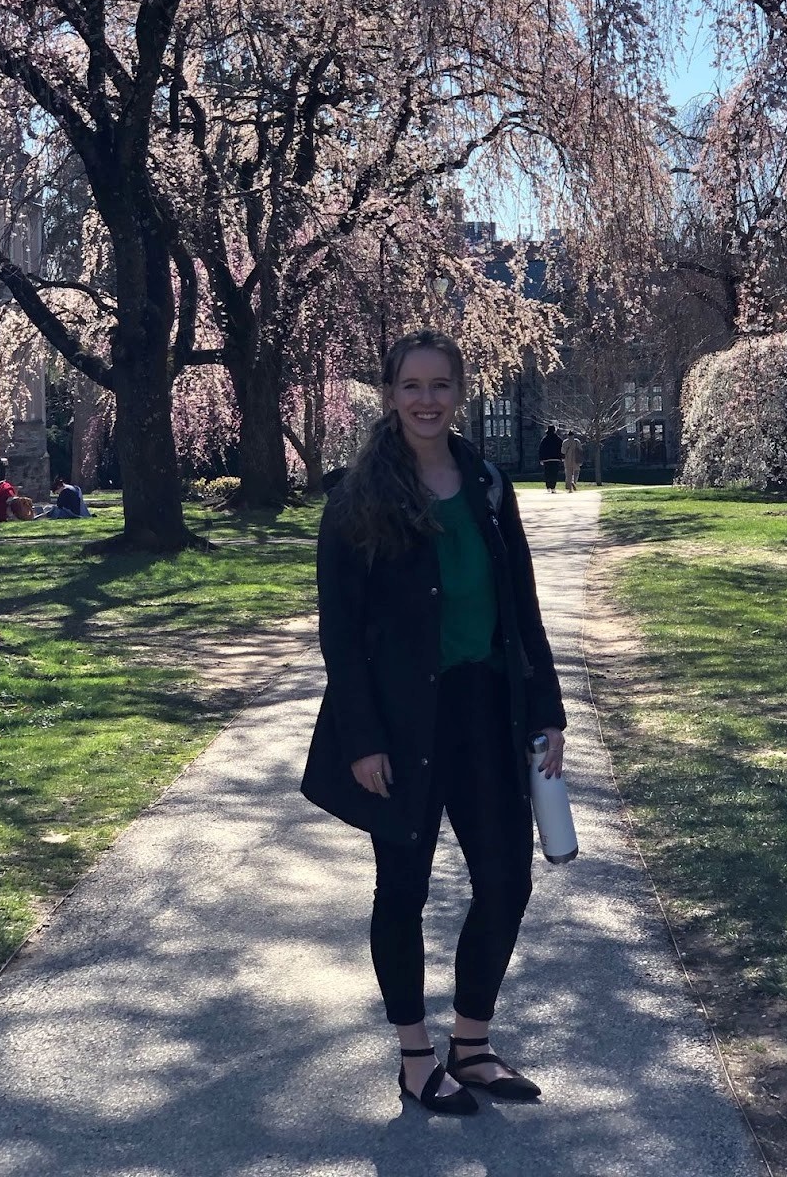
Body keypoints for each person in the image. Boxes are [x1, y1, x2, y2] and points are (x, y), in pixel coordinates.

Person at [302, 330, 567, 1117]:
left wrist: (548, 708)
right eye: (412, 386)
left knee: (508, 880)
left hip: (485, 711)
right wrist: (362, 739)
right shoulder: (358, 496)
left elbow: (521, 606)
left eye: (441, 385)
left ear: (460, 392)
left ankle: (473, 1045)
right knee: (403, 889)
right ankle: (416, 1057)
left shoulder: (488, 482)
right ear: (390, 393)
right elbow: (340, 634)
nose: (426, 400)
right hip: (399, 725)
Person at [538, 424, 564, 493]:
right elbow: (562, 448)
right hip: (556, 459)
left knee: (547, 473)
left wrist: (541, 459)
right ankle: (553, 487)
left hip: (547, 459)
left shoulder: (545, 439)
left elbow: (541, 449)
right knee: (554, 473)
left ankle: (548, 486)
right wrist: (562, 457)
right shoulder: (558, 439)